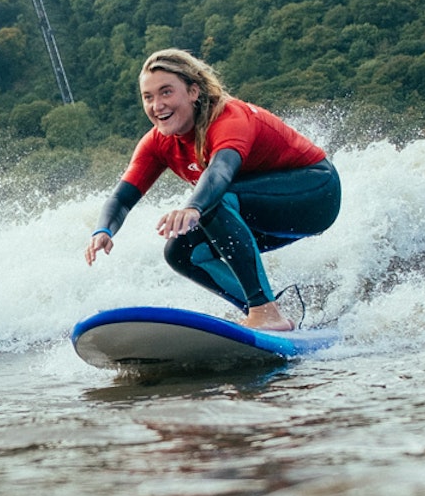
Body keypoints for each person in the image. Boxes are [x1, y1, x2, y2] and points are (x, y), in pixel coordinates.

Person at [84, 48, 340, 331]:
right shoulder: (157, 143)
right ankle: (268, 310)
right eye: (148, 97)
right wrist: (103, 231)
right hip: (256, 211)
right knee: (180, 252)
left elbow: (220, 172)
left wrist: (193, 207)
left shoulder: (229, 118)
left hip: (315, 194)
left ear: (193, 91)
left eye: (166, 92)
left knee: (212, 205)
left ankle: (265, 313)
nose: (157, 105)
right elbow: (122, 198)